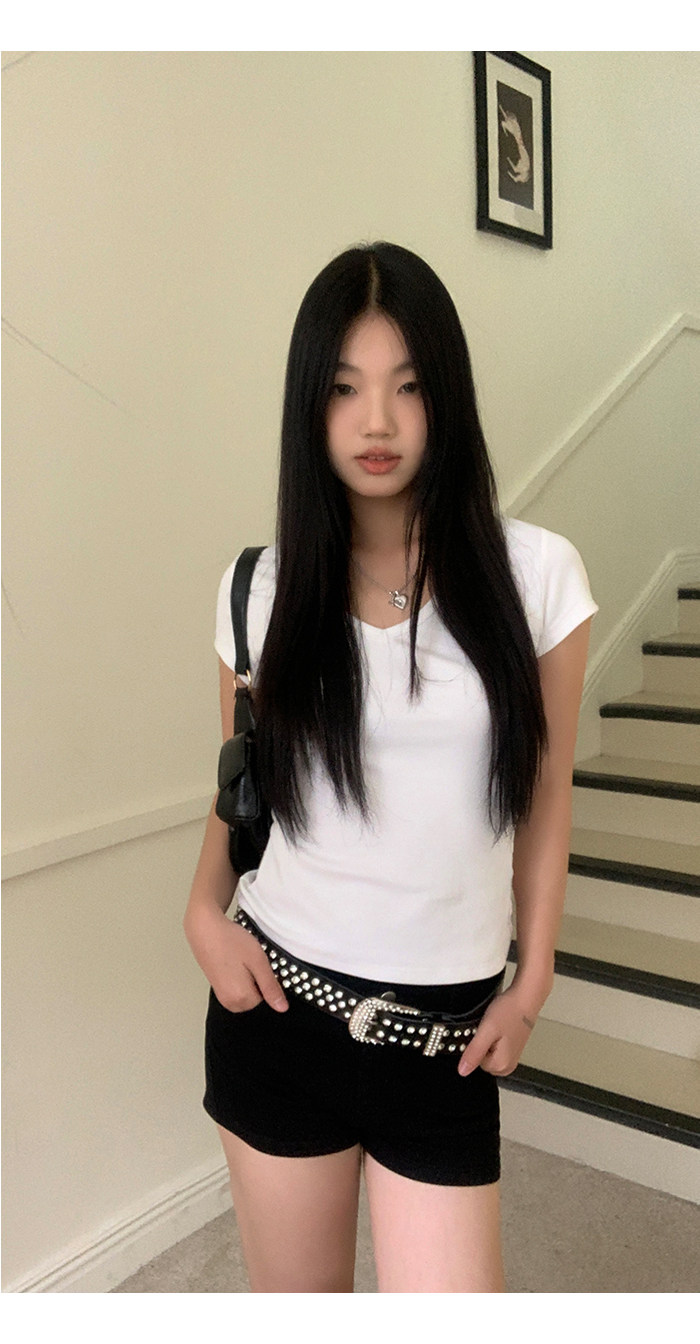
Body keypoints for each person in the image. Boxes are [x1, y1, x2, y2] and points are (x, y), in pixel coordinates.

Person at [183, 241, 599, 1293]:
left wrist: (535, 977)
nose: (377, 422)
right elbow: (243, 787)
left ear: (445, 397)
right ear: (308, 406)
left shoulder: (537, 578)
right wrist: (199, 914)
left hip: (441, 1042)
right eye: (344, 388)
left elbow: (545, 798)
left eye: (408, 387)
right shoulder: (256, 590)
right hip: (278, 1015)